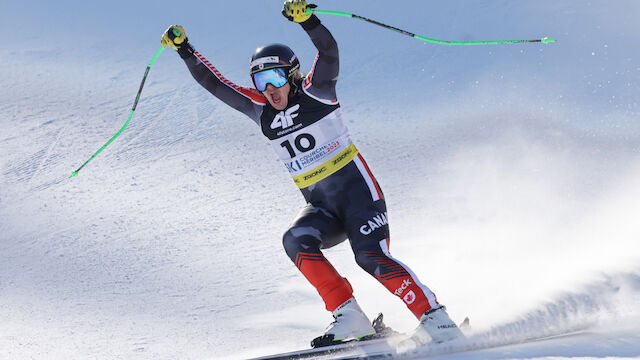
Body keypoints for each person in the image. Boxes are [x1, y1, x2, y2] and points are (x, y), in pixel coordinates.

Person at [162, 0, 463, 347]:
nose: (269, 88)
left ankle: (436, 319)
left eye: (275, 77)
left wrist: (309, 21)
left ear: (291, 74)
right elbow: (215, 85)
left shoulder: (315, 91)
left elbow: (329, 51)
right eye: (261, 81)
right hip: (322, 206)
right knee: (296, 240)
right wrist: (185, 50)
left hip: (358, 196)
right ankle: (350, 317)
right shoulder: (260, 110)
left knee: (369, 255)